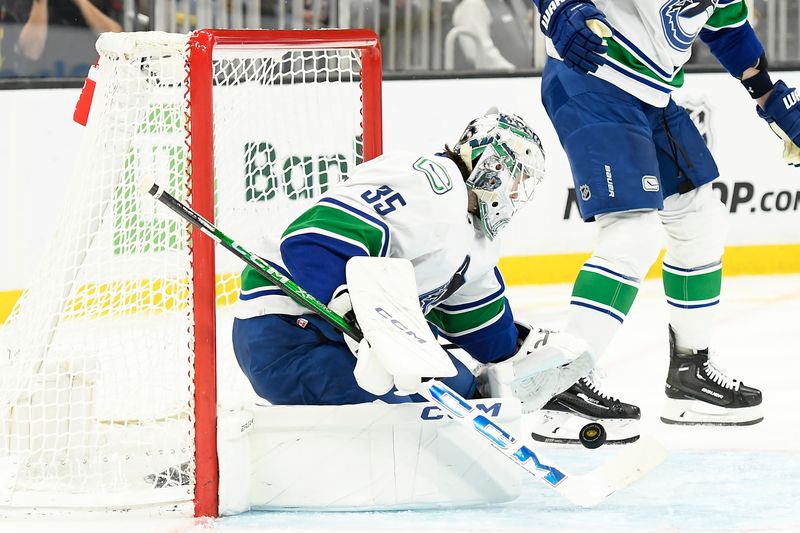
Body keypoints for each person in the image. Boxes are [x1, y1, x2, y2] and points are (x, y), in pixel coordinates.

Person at [231, 109, 640, 442]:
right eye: (516, 180)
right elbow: (310, 243)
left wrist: (532, 366)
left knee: (464, 391)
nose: (515, 195)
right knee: (444, 405)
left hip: (342, 345)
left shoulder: (476, 238)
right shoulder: (428, 182)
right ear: (492, 167)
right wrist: (361, 318)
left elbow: (485, 331)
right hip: (285, 334)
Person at [494, 0, 791, 426]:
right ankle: (558, 386)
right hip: (591, 78)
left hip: (652, 92)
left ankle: (691, 373)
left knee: (698, 216)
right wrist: (558, 7)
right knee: (633, 233)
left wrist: (772, 100)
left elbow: (727, 30)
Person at [12, 0, 121, 76]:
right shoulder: (27, 3)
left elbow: (118, 39)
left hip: (89, 75)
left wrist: (82, 2)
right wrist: (41, 2)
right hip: (43, 80)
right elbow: (31, 51)